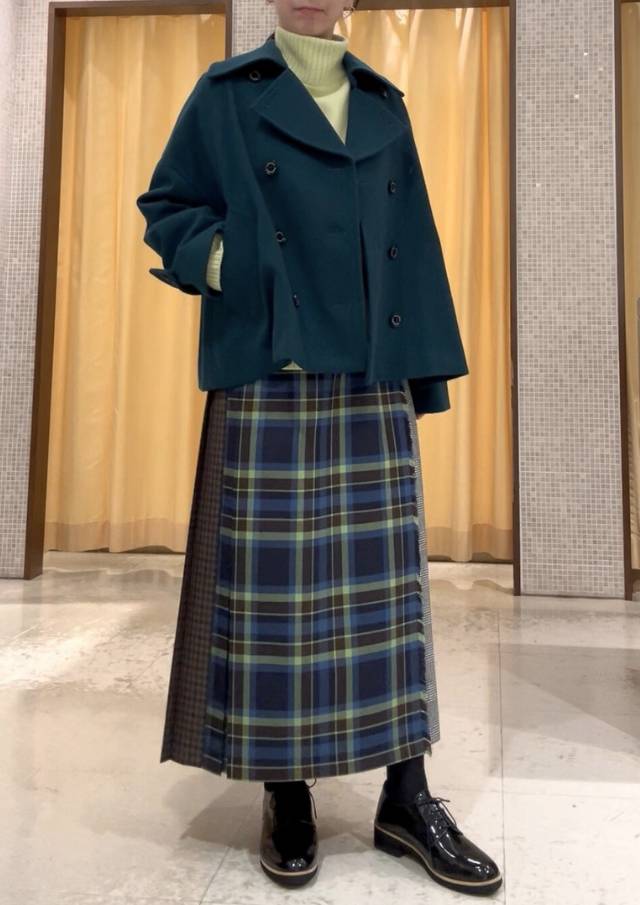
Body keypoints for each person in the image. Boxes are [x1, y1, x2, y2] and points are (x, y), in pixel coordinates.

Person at [137, 0, 501, 895]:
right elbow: (169, 206)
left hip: (370, 373)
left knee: (390, 599)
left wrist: (423, 371)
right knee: (273, 597)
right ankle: (287, 790)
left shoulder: (382, 101)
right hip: (272, 371)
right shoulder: (226, 93)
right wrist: (235, 267)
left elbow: (413, 243)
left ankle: (406, 795)